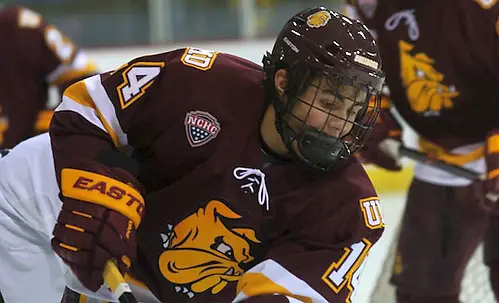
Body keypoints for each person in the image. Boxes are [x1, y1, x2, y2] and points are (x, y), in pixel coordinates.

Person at [0, 6, 385, 302]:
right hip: (28, 212)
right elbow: (86, 110)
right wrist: (98, 186)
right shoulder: (197, 82)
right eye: (331, 100)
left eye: (353, 110)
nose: (341, 123)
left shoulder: (346, 207)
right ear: (285, 83)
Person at [343, 1, 499, 302]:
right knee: (420, 294)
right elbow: (367, 72)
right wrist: (372, 115)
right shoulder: (370, 5)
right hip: (438, 163)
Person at [0, 5, 97, 149]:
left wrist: (8, 150)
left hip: (84, 96)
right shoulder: (11, 23)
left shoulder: (10, 34)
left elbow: (22, 104)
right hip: (81, 89)